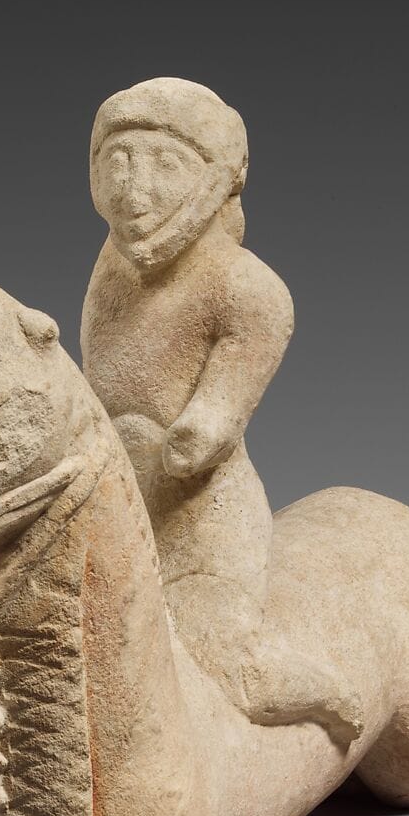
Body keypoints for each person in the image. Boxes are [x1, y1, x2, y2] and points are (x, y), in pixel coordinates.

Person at [81, 77, 358, 740]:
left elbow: (212, 425)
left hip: (199, 516)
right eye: (116, 162)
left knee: (222, 664)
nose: (134, 190)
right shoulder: (113, 268)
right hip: (113, 497)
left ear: (214, 179)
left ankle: (341, 700)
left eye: (165, 165)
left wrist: (193, 430)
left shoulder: (247, 288)